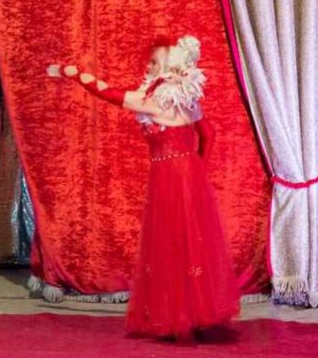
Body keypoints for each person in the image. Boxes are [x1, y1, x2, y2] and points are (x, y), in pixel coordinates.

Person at [46, 35, 240, 342]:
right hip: (189, 176)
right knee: (189, 244)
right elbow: (209, 134)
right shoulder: (186, 100)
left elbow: (106, 91)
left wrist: (70, 72)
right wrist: (198, 170)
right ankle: (194, 314)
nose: (147, 66)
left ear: (167, 66)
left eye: (153, 62)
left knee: (171, 246)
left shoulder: (152, 101)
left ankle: (178, 318)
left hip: (169, 177)